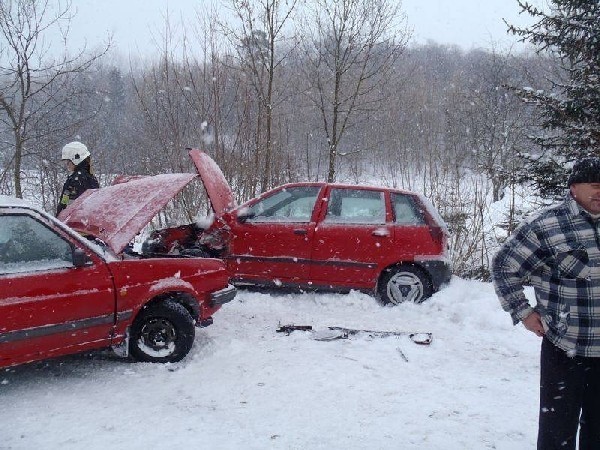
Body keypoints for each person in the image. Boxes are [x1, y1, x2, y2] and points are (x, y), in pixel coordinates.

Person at [492, 156, 600, 450]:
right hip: (565, 350)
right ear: (573, 187)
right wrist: (523, 312)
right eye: (594, 185)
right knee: (557, 435)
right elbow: (503, 266)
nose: (599, 191)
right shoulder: (547, 225)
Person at [56, 141, 99, 215]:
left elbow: (66, 202)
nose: (67, 165)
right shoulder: (90, 177)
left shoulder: (78, 179)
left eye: (68, 162)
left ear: (76, 159)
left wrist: (60, 215)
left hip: (72, 221)